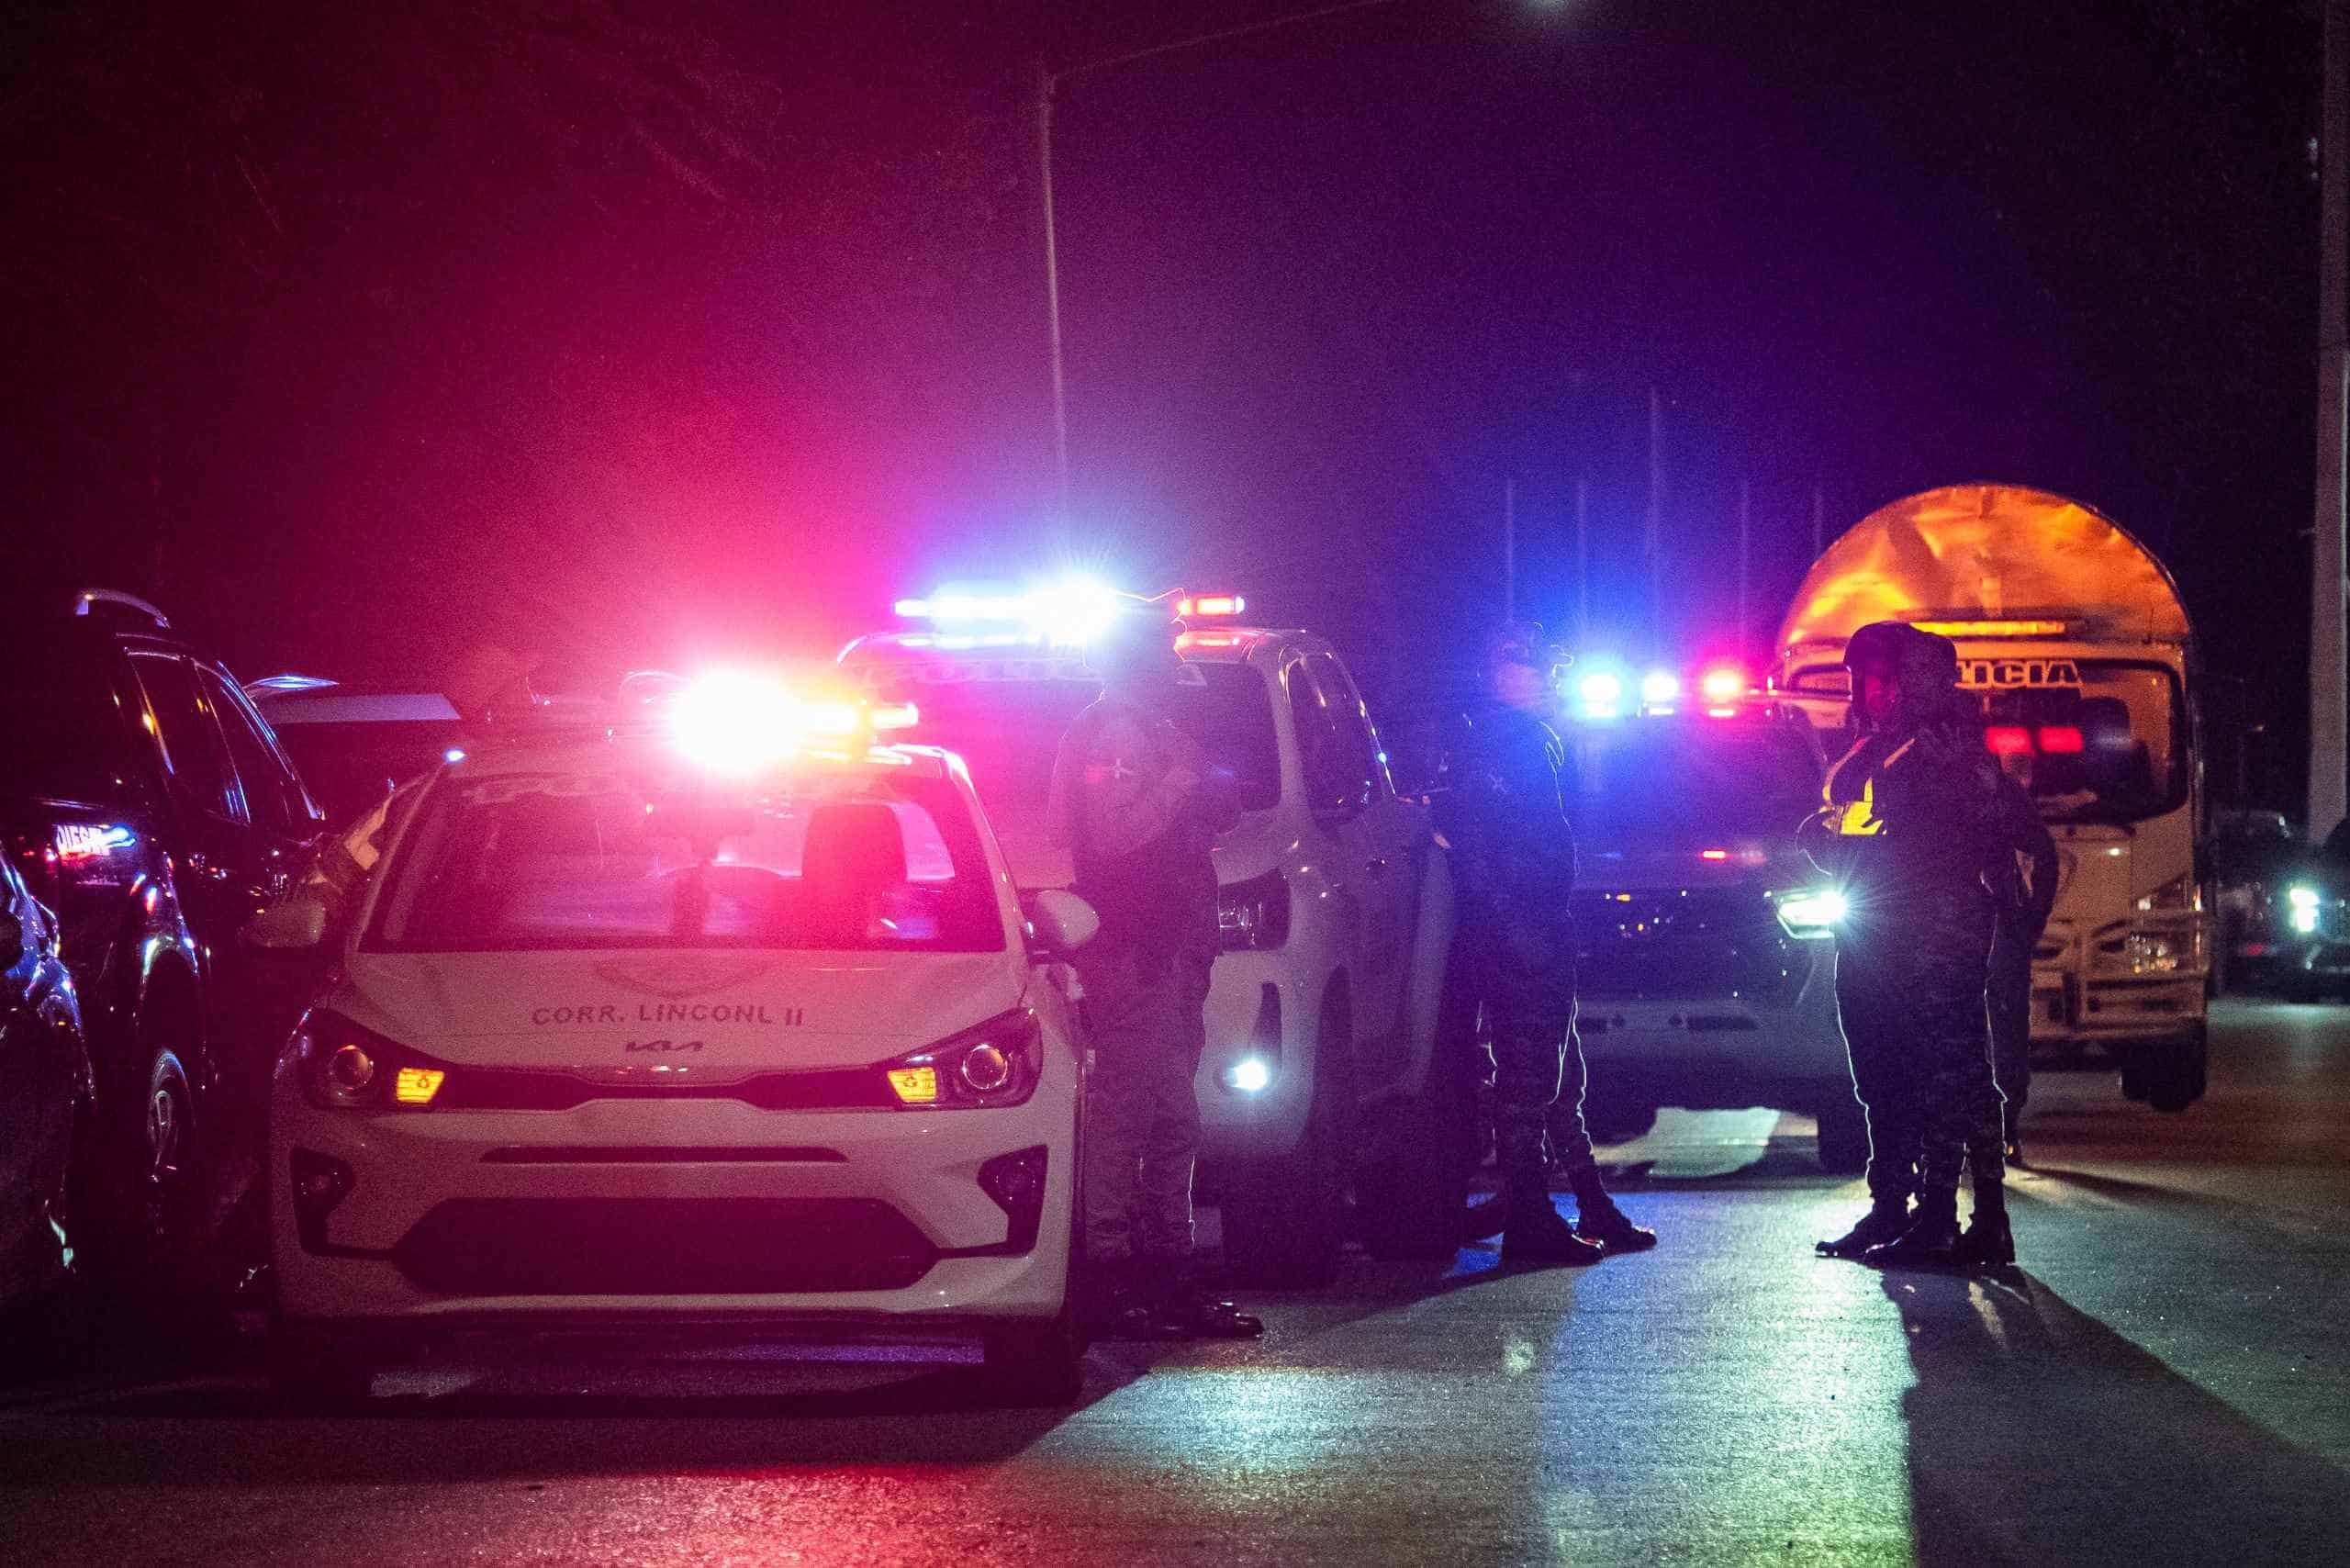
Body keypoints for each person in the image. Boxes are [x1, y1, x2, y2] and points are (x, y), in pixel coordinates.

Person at [1049, 612, 1260, 1338]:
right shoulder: (1119, 733)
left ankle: (1165, 1272)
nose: (1175, 662)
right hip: (1135, 947)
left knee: (1169, 1119)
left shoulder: (1148, 726)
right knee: (1131, 1115)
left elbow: (1213, 811)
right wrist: (1180, 788)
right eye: (1162, 650)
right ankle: (1116, 1275)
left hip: (1166, 947)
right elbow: (1115, 840)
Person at [1444, 623, 1654, 1265]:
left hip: (1533, 929)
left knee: (1557, 1078)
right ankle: (1530, 1216)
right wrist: (1515, 926)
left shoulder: (1521, 741)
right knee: (1530, 1081)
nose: (1550, 680)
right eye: (1536, 668)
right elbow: (1484, 853)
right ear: (1503, 674)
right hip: (1520, 935)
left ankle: (1588, 1202)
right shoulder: (1506, 745)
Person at [1806, 622, 2004, 1269]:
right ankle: (1897, 1204)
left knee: (1950, 1072)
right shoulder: (1873, 746)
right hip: (1876, 929)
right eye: (1865, 680)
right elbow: (1843, 816)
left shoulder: (1949, 744)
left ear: (1918, 681)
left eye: (1888, 679)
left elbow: (1971, 825)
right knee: (1884, 1071)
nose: (1874, 691)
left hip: (1933, 927)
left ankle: (1946, 1217)